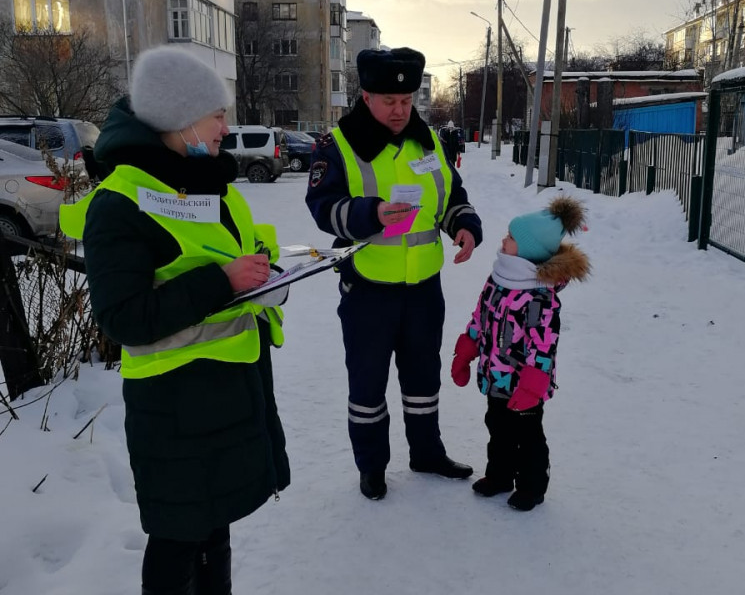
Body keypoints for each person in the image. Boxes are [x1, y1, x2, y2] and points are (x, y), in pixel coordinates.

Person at [59, 46, 290, 595]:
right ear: (180, 118)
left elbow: (237, 252)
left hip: (230, 395)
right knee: (177, 539)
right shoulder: (118, 203)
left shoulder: (210, 183)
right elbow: (123, 317)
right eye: (217, 115)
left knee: (215, 529)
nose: (225, 129)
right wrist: (225, 281)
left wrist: (270, 271)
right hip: (174, 409)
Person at [305, 47, 483, 501]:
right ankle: (372, 466)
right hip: (368, 287)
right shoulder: (338, 144)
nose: (400, 110)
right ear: (366, 96)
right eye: (390, 101)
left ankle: (426, 453)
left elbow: (450, 195)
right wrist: (372, 213)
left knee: (423, 378)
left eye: (407, 100)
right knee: (367, 384)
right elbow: (323, 209)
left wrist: (462, 225)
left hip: (424, 288)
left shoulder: (429, 142)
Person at [451, 194, 590, 511]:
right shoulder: (500, 277)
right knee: (497, 427)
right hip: (495, 374)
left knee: (527, 435)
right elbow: (481, 315)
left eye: (511, 237)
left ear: (528, 251)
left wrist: (532, 383)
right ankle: (499, 476)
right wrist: (467, 348)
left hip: (525, 383)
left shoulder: (539, 295)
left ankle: (532, 485)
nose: (503, 240)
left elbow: (544, 343)